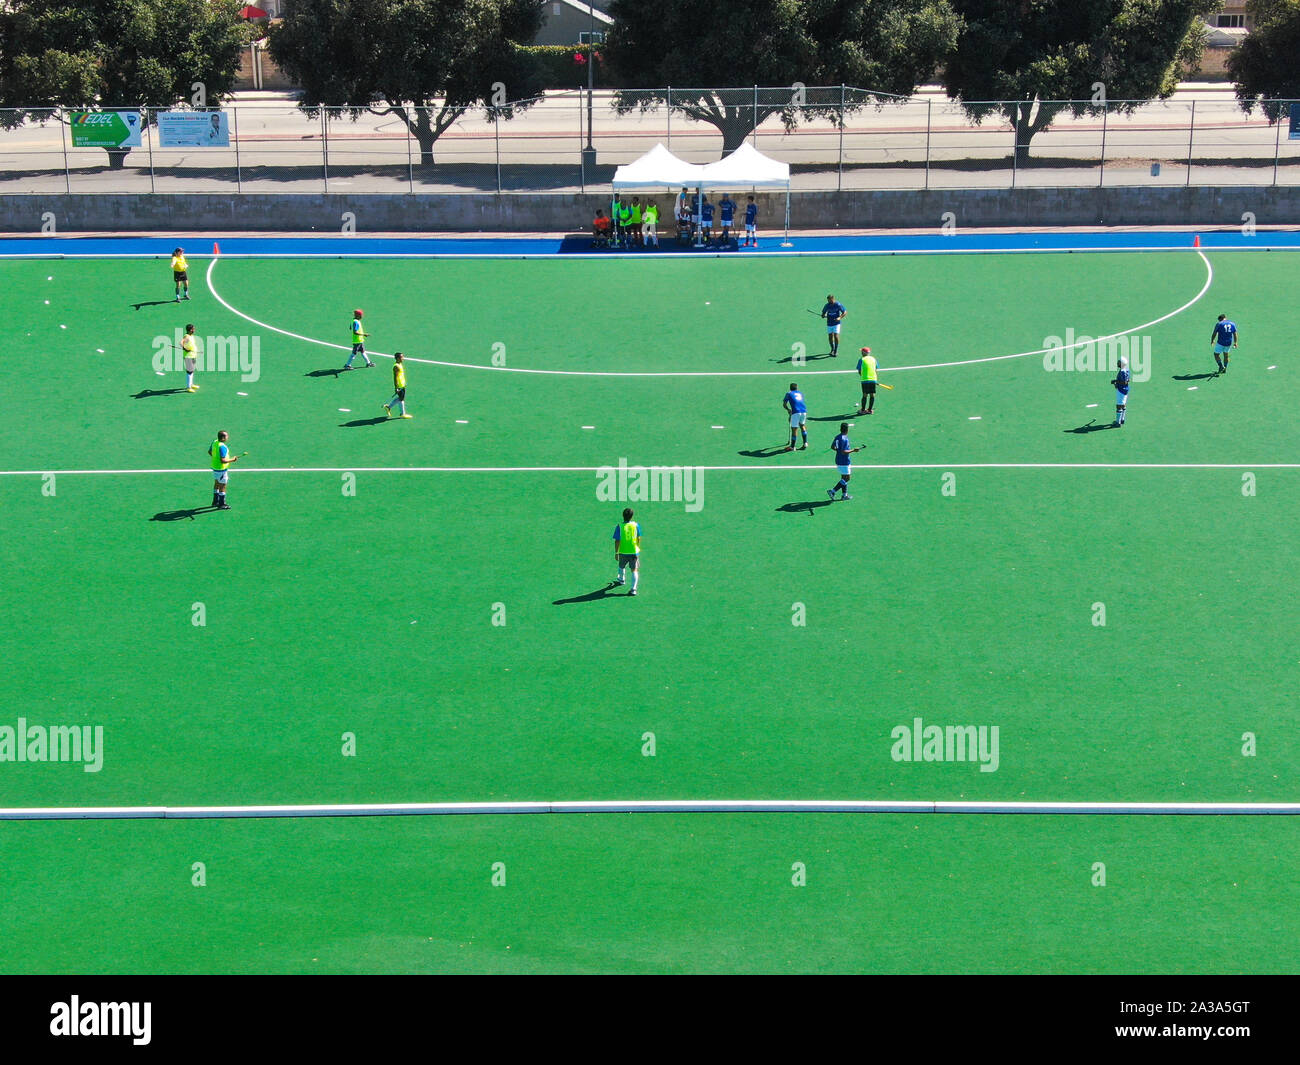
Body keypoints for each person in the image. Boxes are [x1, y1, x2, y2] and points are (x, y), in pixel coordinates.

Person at [826, 423, 862, 501]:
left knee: (843, 477)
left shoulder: (838, 437)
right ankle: (832, 491)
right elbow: (844, 451)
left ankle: (844, 495)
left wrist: (838, 451)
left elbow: (832, 447)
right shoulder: (844, 439)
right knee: (847, 478)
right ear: (847, 430)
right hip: (844, 461)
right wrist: (853, 450)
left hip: (838, 460)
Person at [612, 507, 642, 596]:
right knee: (634, 570)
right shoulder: (636, 525)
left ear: (623, 516)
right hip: (633, 552)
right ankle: (633, 589)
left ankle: (621, 580)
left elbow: (617, 541)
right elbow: (639, 538)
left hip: (623, 551)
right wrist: (637, 547)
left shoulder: (619, 526)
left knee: (621, 566)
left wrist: (616, 552)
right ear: (632, 516)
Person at [208, 429, 239, 510]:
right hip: (221, 469)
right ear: (222, 438)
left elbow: (209, 452)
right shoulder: (222, 447)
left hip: (215, 467)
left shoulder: (214, 442)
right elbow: (223, 460)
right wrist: (233, 459)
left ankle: (215, 501)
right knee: (223, 486)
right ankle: (222, 504)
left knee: (216, 483)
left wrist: (215, 458)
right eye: (226, 436)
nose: (228, 437)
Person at [384, 351, 412, 418]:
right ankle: (402, 414)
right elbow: (395, 378)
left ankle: (388, 407)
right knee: (401, 399)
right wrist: (396, 387)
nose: (403, 358)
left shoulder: (400, 364)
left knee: (401, 398)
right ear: (397, 358)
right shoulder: (396, 366)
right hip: (399, 386)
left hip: (402, 385)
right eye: (401, 357)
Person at [783, 382, 808, 451]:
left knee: (794, 429)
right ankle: (805, 443)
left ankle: (792, 447)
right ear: (797, 388)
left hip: (796, 412)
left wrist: (788, 410)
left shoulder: (788, 393)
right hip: (804, 411)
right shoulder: (800, 393)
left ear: (790, 388)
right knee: (802, 425)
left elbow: (784, 404)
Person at [856, 346, 877, 415]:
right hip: (873, 379)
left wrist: (863, 376)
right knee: (872, 395)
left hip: (865, 380)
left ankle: (862, 410)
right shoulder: (874, 359)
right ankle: (870, 410)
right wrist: (874, 379)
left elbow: (859, 371)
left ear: (863, 352)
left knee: (865, 395)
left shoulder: (861, 359)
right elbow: (876, 370)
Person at [1111, 355, 1131, 427]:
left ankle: (1117, 422)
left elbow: (1124, 382)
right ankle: (1122, 419)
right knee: (1123, 404)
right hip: (1125, 390)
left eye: (1119, 362)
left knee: (1119, 406)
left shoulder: (1122, 372)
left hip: (1121, 390)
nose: (1117, 363)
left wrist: (1116, 383)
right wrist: (1116, 380)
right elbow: (1128, 380)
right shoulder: (1127, 370)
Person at [182, 323, 199, 393]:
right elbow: (181, 342)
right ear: (190, 330)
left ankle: (191, 384)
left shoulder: (191, 336)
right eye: (193, 329)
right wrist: (184, 348)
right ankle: (188, 387)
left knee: (192, 370)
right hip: (188, 356)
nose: (194, 330)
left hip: (193, 355)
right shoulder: (187, 336)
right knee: (189, 371)